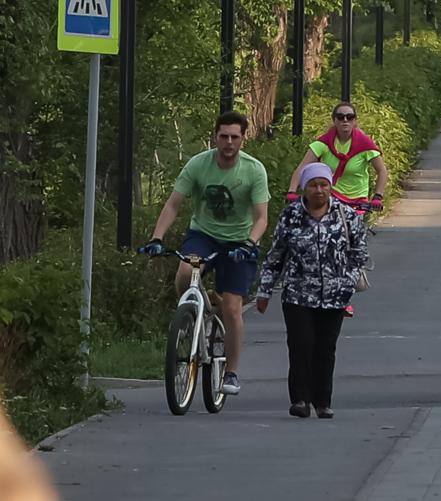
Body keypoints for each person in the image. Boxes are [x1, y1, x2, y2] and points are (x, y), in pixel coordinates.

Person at [139, 111, 271, 397]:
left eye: (235, 137)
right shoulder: (199, 164)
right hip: (204, 235)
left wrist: (250, 242)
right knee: (185, 273)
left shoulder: (253, 169)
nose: (228, 142)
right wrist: (156, 237)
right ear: (215, 136)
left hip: (240, 241)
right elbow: (174, 204)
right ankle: (190, 315)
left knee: (233, 307)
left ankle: (232, 372)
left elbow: (262, 217)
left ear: (243, 139)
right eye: (223, 136)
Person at [255, 161, 368, 419]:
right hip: (297, 293)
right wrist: (264, 291)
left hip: (334, 295)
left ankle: (322, 401)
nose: (319, 190)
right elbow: (276, 256)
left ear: (331, 187)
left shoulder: (345, 215)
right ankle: (300, 400)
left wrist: (347, 281)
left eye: (324, 185)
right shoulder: (291, 215)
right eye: (313, 186)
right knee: (300, 344)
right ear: (304, 189)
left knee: (325, 348)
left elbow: (359, 253)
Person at [285, 101, 386, 211]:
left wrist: (377, 196)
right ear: (334, 120)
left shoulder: (365, 144)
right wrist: (292, 191)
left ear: (355, 121)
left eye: (350, 117)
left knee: (354, 227)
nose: (345, 120)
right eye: (340, 117)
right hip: (330, 198)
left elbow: (381, 171)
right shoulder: (324, 143)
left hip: (357, 201)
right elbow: (303, 167)